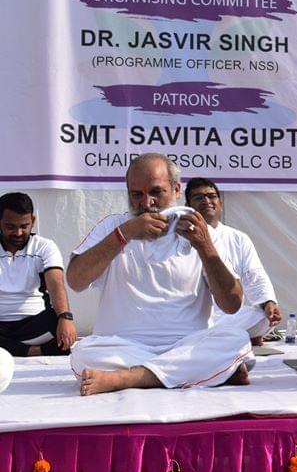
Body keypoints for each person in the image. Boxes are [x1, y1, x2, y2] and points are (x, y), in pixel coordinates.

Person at [66, 153, 253, 396]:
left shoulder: (202, 231)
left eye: (156, 192)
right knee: (83, 354)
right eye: (137, 194)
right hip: (123, 348)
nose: (147, 203)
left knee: (237, 340)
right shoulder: (114, 227)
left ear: (176, 189)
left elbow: (232, 304)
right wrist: (123, 236)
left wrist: (205, 247)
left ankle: (129, 378)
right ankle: (203, 373)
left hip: (186, 346)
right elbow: (75, 281)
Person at [185, 177, 282, 344]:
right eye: (199, 197)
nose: (207, 201)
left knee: (262, 317)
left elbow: (255, 274)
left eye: (211, 196)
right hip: (194, 316)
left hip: (229, 316)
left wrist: (268, 303)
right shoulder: (181, 236)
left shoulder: (238, 238)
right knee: (188, 326)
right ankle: (238, 338)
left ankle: (233, 337)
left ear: (220, 204)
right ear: (188, 207)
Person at [0, 192, 76, 357]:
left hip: (35, 325)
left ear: (32, 222)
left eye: (24, 226)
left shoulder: (44, 246)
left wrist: (65, 317)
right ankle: (34, 351)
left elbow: (56, 283)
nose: (18, 233)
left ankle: (10, 348)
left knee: (58, 321)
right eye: (10, 227)